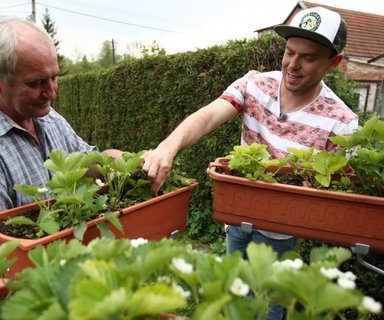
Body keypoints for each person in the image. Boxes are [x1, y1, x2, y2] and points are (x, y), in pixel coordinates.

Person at [141, 7, 358, 320]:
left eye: (308, 57)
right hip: (237, 220)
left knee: (269, 306)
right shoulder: (256, 85)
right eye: (289, 52)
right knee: (235, 294)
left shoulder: (341, 122)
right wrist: (167, 147)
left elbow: (338, 192)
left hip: (280, 234)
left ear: (333, 63)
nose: (293, 65)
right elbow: (209, 115)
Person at [0, 16, 121, 271]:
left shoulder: (48, 118)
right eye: (36, 82)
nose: (52, 92)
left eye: (54, 78)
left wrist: (128, 162)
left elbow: (88, 160)